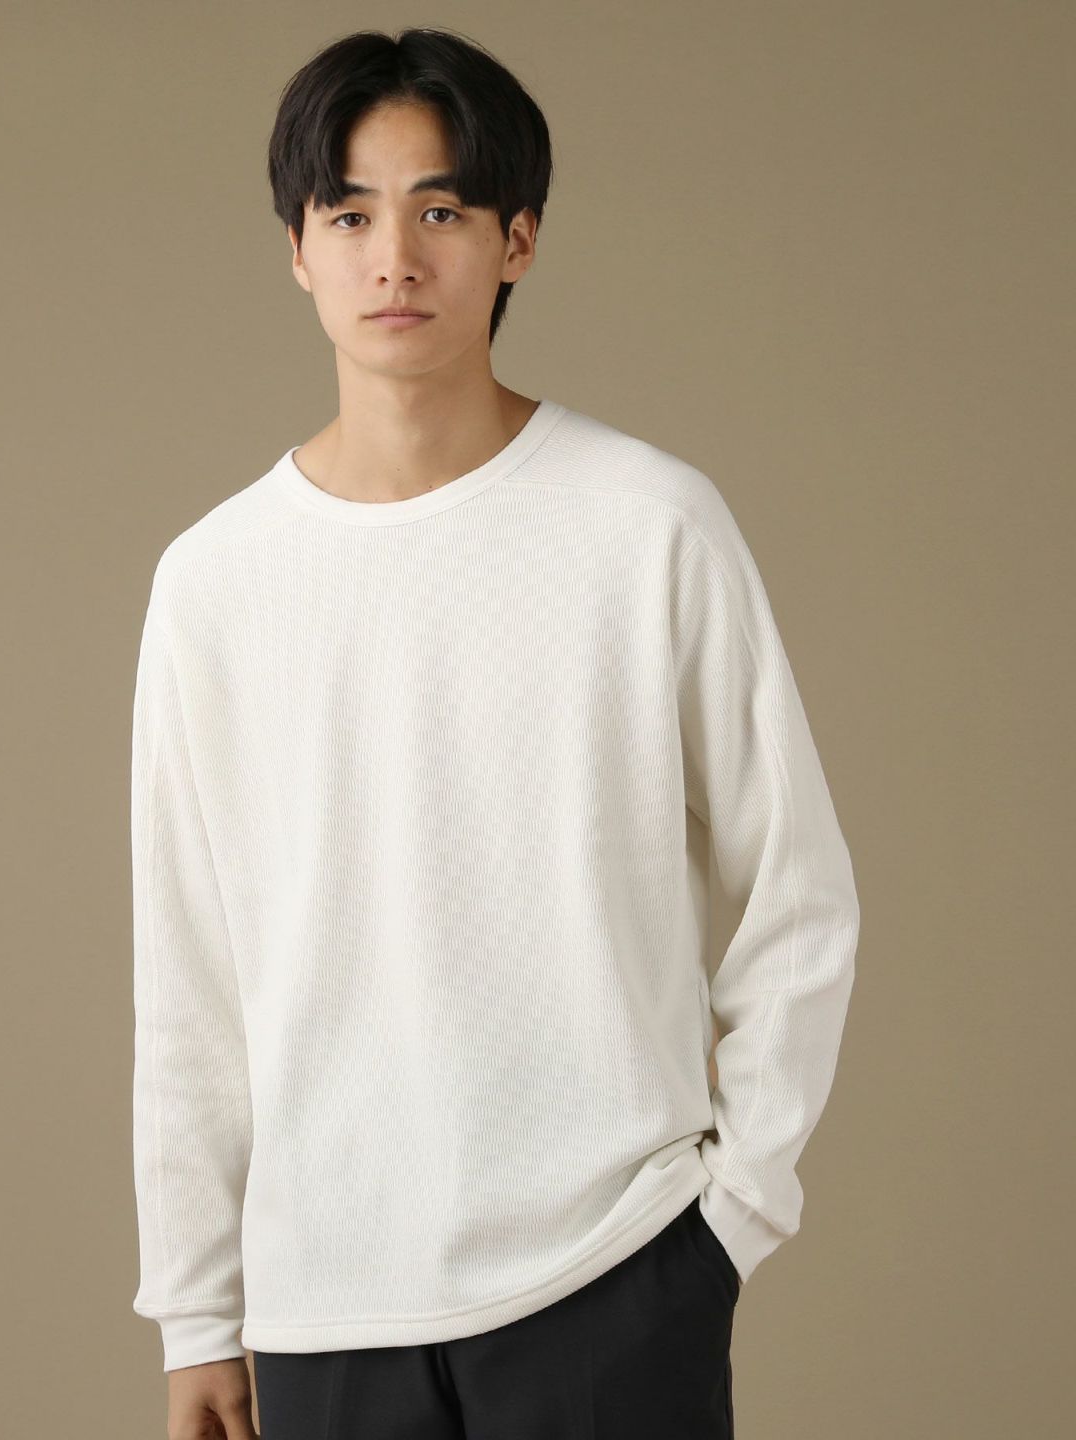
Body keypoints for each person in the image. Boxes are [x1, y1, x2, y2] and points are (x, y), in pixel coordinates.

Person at [128, 25, 861, 1440]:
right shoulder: (213, 582)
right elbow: (189, 974)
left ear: (516, 240)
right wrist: (197, 1313)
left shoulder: (647, 526)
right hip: (326, 1306)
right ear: (299, 250)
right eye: (350, 214)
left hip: (612, 1274)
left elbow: (801, 895)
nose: (394, 258)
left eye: (442, 211)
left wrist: (732, 1216)